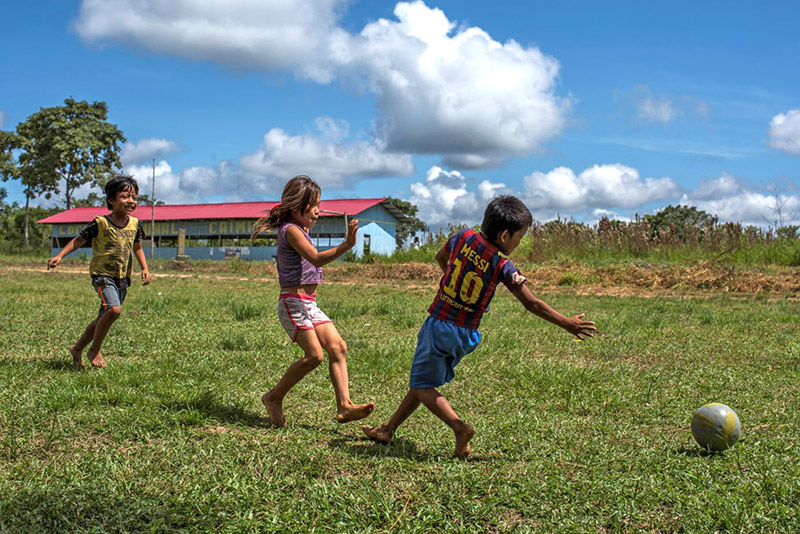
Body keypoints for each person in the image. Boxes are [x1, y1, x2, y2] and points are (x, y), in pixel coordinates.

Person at [363, 195, 597, 457]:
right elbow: (531, 303)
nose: (519, 244)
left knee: (420, 385)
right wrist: (566, 322)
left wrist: (453, 278)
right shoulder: (502, 264)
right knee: (423, 381)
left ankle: (459, 427)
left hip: (439, 325)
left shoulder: (462, 237)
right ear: (506, 235)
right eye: (520, 238)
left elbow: (441, 257)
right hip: (466, 333)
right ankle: (388, 428)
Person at [253, 175, 375, 426]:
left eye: (320, 205)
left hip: (310, 303)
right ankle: (273, 398)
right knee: (314, 357)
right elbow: (316, 259)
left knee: (338, 347)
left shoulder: (302, 228)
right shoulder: (291, 230)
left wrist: (311, 218)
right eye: (314, 205)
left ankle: (344, 406)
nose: (318, 211)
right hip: (293, 303)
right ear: (297, 206)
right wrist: (347, 244)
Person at [48, 173, 151, 369]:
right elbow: (79, 240)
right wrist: (60, 255)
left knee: (103, 318)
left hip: (122, 278)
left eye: (134, 197)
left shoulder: (135, 224)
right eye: (125, 196)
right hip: (102, 276)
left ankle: (77, 348)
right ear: (111, 200)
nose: (131, 201)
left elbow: (137, 247)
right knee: (114, 310)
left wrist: (144, 268)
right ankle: (94, 349)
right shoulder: (100, 223)